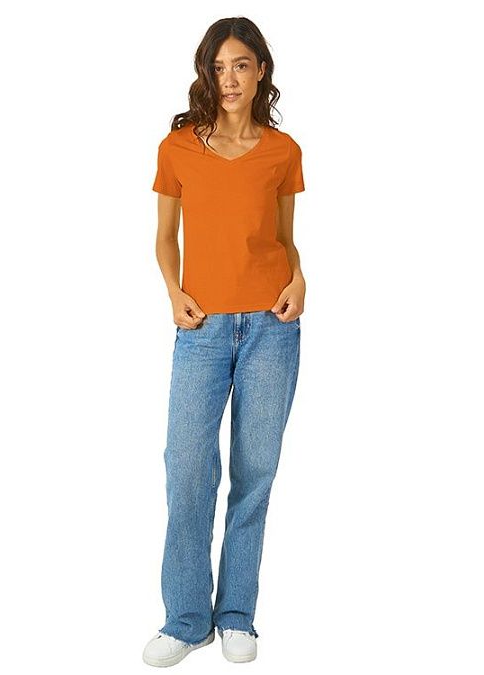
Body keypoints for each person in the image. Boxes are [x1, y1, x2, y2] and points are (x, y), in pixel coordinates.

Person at [142, 16, 306, 667]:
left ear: (261, 70)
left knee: (254, 474)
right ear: (206, 74)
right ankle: (186, 618)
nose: (229, 78)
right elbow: (164, 237)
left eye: (241, 65)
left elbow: (285, 238)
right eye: (218, 67)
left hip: (272, 326)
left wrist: (300, 277)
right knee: (187, 469)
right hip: (202, 328)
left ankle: (237, 613)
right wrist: (172, 290)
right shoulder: (178, 147)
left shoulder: (283, 151)